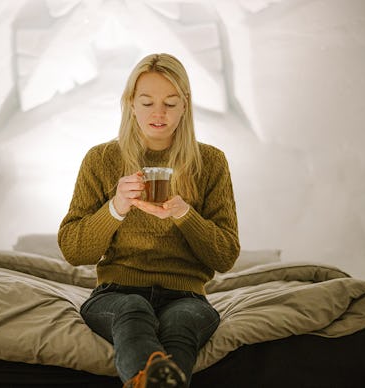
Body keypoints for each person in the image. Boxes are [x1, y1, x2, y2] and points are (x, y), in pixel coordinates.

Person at [58, 53, 240, 388]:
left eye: (171, 103)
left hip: (186, 296)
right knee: (133, 310)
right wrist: (115, 207)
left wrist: (185, 215)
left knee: (182, 322)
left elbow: (226, 256)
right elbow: (74, 251)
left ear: (185, 105)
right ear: (130, 103)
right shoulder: (101, 160)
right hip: (116, 292)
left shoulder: (211, 163)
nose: (159, 113)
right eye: (147, 102)